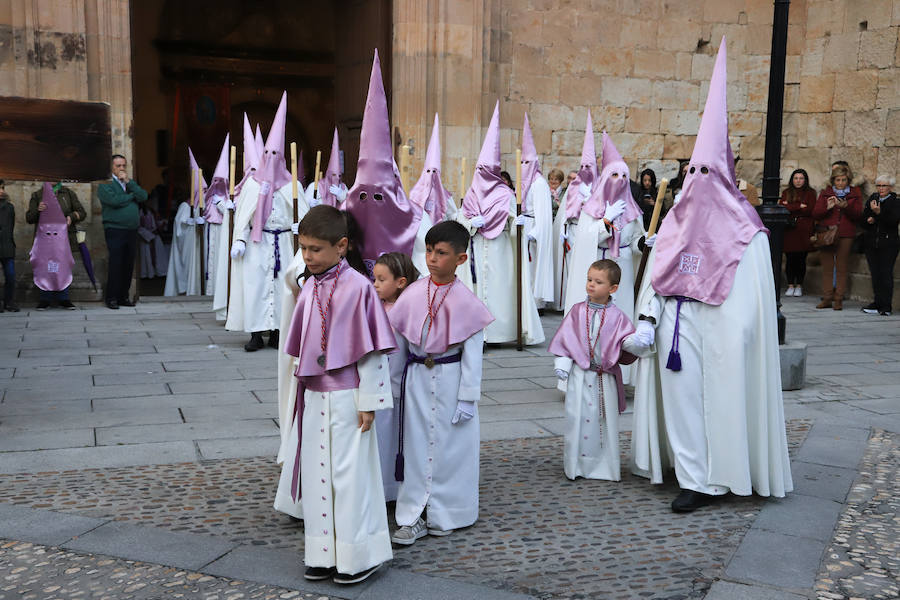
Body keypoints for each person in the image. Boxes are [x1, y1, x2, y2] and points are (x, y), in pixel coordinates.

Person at [631, 39, 792, 513]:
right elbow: (656, 278)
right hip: (677, 331)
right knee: (681, 405)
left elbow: (754, 297)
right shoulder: (674, 225)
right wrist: (647, 317)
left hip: (721, 330)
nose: (697, 180)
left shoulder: (750, 233)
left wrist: (736, 329)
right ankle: (692, 474)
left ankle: (723, 475)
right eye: (691, 172)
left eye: (707, 170)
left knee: (722, 404)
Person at [280, 204, 395, 585]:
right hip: (315, 396)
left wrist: (369, 402)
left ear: (341, 245)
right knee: (317, 476)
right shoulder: (309, 287)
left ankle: (358, 555)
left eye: (315, 249)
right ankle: (322, 553)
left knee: (350, 477)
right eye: (303, 248)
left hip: (349, 397)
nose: (308, 256)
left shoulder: (360, 287)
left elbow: (371, 350)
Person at [389, 220, 494, 545]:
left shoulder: (468, 301)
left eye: (442, 253)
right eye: (430, 251)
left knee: (451, 451)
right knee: (417, 448)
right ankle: (413, 516)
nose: (433, 258)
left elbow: (473, 355)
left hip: (451, 382)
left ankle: (448, 512)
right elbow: (398, 344)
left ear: (461, 259)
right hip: (417, 381)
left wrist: (467, 398)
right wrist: (392, 389)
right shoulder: (412, 294)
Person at [550, 259, 651, 481]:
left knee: (603, 420)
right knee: (577, 418)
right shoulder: (577, 312)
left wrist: (638, 342)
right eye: (589, 280)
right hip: (579, 375)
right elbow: (566, 340)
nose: (591, 285)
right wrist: (563, 364)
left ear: (613, 288)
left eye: (598, 282)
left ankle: (605, 466)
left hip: (604, 379)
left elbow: (625, 343)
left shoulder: (618, 317)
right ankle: (575, 466)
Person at [457, 101, 544, 346]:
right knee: (476, 289)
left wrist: (519, 222)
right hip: (476, 247)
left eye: (488, 169)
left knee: (498, 291)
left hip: (499, 250)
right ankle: (477, 333)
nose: (482, 173)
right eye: (480, 168)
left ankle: (498, 333)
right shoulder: (471, 194)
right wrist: (471, 223)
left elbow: (515, 225)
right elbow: (460, 221)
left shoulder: (505, 195)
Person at [228, 92, 308, 351]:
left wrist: (301, 228)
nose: (272, 157)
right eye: (268, 153)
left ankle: (276, 332)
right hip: (257, 242)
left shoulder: (292, 184)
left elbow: (305, 214)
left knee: (281, 286)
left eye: (277, 153)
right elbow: (243, 216)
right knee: (256, 287)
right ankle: (255, 333)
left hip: (283, 240)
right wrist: (239, 239)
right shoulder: (252, 184)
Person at [343, 50, 429, 277]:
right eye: (363, 195)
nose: (370, 202)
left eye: (379, 196)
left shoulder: (416, 218)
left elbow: (426, 269)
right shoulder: (342, 214)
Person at [372, 251, 419, 502]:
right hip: (377, 385)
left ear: (400, 282)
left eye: (381, 279)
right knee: (379, 440)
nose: (375, 284)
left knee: (394, 440)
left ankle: (392, 488)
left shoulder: (402, 312)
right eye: (374, 279)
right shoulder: (375, 308)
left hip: (395, 386)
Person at [552, 112, 598, 312]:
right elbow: (565, 210)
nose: (586, 169)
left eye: (590, 166)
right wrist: (562, 228)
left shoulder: (599, 187)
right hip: (572, 231)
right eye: (583, 166)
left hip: (588, 232)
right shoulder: (573, 187)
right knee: (571, 268)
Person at [98, 154, 148, 309]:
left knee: (128, 264)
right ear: (112, 168)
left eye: (124, 165)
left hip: (131, 230)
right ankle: (111, 298)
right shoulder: (105, 185)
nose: (121, 169)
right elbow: (114, 201)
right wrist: (130, 197)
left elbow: (143, 196)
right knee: (116, 263)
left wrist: (130, 185)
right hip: (115, 229)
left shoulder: (129, 184)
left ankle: (123, 297)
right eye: (118, 166)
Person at [516, 113, 555, 308]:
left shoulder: (539, 183)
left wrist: (535, 232)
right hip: (524, 223)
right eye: (521, 162)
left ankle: (535, 302)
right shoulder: (523, 182)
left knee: (533, 265)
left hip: (533, 228)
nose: (524, 167)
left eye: (527, 163)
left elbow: (543, 214)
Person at [26, 182, 86, 309]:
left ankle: (64, 298)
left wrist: (71, 217)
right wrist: (38, 210)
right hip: (45, 240)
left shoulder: (68, 193)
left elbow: (82, 212)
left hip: (63, 239)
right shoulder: (37, 195)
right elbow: (29, 218)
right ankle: (45, 298)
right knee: (45, 267)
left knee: (63, 266)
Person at [812, 164, 863, 310]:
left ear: (848, 180)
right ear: (833, 180)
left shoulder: (855, 193)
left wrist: (846, 206)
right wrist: (826, 208)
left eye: (843, 180)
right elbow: (815, 214)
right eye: (838, 180)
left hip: (845, 233)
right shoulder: (825, 193)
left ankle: (838, 298)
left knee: (841, 267)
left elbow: (858, 215)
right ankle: (827, 298)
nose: (840, 183)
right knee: (827, 268)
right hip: (827, 233)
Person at [164, 148, 205, 297]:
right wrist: (188, 222)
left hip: (196, 243)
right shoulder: (185, 205)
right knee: (187, 267)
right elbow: (179, 227)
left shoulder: (203, 206)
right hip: (187, 244)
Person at [408, 114, 458, 225]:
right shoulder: (414, 193)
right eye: (429, 171)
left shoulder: (445, 196)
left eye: (434, 172)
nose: (431, 175)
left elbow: (453, 215)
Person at [860, 175, 898, 316]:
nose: (881, 189)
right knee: (875, 274)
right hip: (871, 243)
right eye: (879, 185)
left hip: (888, 244)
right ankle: (877, 302)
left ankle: (886, 306)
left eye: (884, 186)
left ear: (890, 188)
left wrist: (878, 213)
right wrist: (868, 220)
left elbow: (893, 221)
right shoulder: (872, 199)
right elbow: (863, 219)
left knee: (885, 274)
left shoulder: (895, 202)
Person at [779, 169, 816, 297]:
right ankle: (790, 285)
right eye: (796, 178)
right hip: (790, 230)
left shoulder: (810, 193)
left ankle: (799, 285)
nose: (798, 181)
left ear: (805, 180)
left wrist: (790, 206)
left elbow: (810, 210)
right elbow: (782, 208)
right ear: (792, 180)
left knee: (801, 259)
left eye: (801, 178)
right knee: (789, 259)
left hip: (804, 230)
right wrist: (799, 206)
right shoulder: (786, 192)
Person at [305, 127, 347, 208]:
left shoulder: (343, 187)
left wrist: (342, 195)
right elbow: (302, 207)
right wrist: (309, 204)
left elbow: (350, 206)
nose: (337, 178)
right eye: (334, 175)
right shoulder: (315, 186)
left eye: (339, 175)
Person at [0, 180, 19, 312]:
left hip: (7, 246)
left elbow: (10, 227)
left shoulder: (9, 207)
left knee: (10, 275)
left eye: (2, 187)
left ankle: (9, 301)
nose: (1, 190)